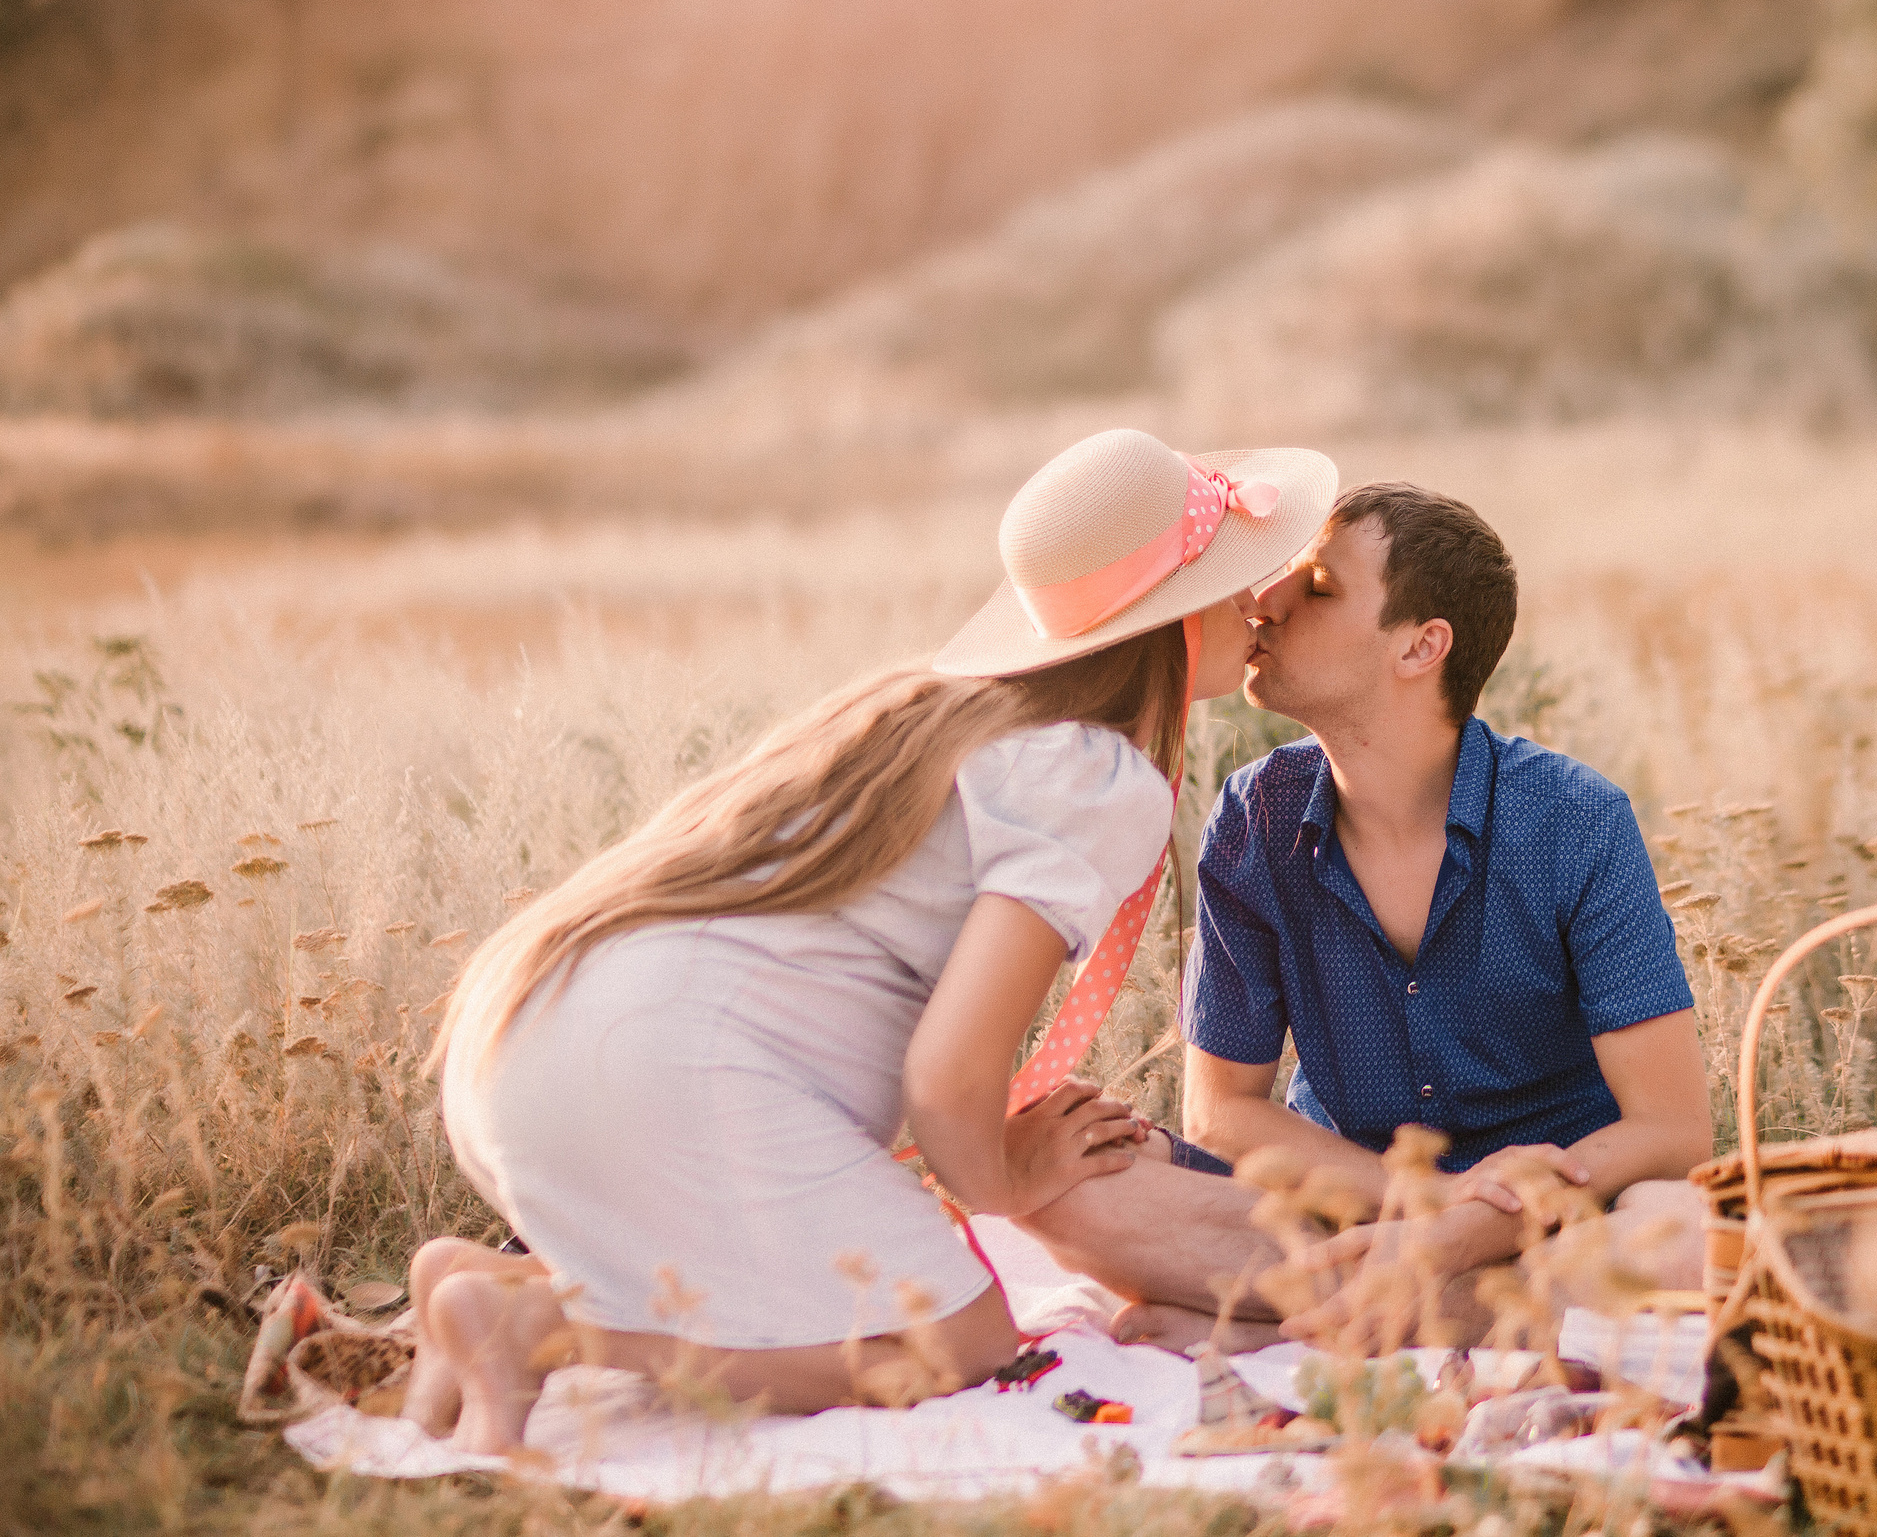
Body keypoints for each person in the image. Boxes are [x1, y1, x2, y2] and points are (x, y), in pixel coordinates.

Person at [398, 428, 1337, 1453]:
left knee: (808, 1289)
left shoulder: (929, 710)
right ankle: (544, 1326)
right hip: (673, 1076)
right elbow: (946, 1074)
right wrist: (1004, 1180)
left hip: (524, 1048)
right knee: (960, 1339)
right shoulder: (1089, 778)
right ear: (1166, 619)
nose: (1263, 601)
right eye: (1236, 578)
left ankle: (489, 1283)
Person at [1079, 482, 1715, 1346]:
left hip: (1548, 1219)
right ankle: (1432, 1315)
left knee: (1684, 1234)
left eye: (1319, 587)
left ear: (1422, 646)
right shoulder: (1252, 818)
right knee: (1067, 1168)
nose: (1264, 604)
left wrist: (1464, 1230)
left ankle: (1317, 1320)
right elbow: (1220, 1111)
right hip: (1351, 1211)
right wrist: (1424, 1201)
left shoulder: (1574, 821)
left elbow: (1673, 1128)